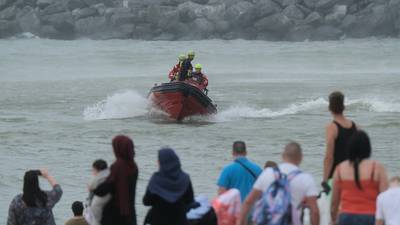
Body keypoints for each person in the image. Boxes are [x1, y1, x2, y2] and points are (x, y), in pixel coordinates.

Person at [237, 142, 320, 225]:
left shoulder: (267, 173)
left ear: (282, 156)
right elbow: (314, 211)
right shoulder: (306, 178)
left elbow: (248, 202)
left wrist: (242, 222)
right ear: (301, 158)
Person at [331, 130, 388, 225]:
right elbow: (385, 199)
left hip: (346, 217)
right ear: (368, 148)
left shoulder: (340, 169)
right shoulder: (377, 168)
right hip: (370, 217)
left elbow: (334, 203)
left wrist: (334, 220)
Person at [94, 135, 138, 225]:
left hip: (114, 216)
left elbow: (103, 190)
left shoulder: (117, 166)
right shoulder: (133, 167)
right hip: (130, 216)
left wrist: (94, 187)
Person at [143, 148, 195, 225]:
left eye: (159, 160)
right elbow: (190, 201)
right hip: (180, 221)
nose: (157, 162)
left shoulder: (156, 179)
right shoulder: (185, 178)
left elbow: (146, 201)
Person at [322, 91, 357, 194]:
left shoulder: (331, 128)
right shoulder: (356, 127)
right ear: (344, 107)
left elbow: (329, 157)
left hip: (336, 175)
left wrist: (325, 180)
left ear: (329, 108)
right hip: (352, 174)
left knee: (335, 207)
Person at [85, 159, 111, 225]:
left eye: (93, 170)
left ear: (97, 170)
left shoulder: (98, 184)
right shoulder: (110, 182)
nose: (93, 173)